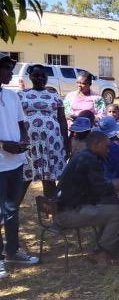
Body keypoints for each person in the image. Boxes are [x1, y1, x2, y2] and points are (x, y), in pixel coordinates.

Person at [55, 131, 119, 265]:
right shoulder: (88, 159)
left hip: (67, 207)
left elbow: (98, 188)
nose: (109, 150)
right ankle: (103, 253)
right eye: (106, 147)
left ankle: (100, 248)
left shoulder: (84, 155)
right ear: (96, 144)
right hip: (67, 213)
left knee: (113, 206)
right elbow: (104, 188)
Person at [0, 53, 39, 278]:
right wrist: (4, 145)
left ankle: (13, 251)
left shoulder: (12, 96)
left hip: (14, 163)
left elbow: (21, 123)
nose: (11, 74)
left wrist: (23, 140)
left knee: (12, 209)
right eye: (6, 69)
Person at [18, 64, 69, 201]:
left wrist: (67, 142)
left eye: (43, 75)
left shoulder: (54, 95)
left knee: (49, 177)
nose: (40, 78)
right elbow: (15, 119)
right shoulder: (22, 94)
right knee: (24, 176)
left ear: (47, 77)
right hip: (29, 142)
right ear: (30, 77)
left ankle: (51, 212)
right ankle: (10, 213)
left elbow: (62, 120)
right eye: (36, 75)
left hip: (52, 142)